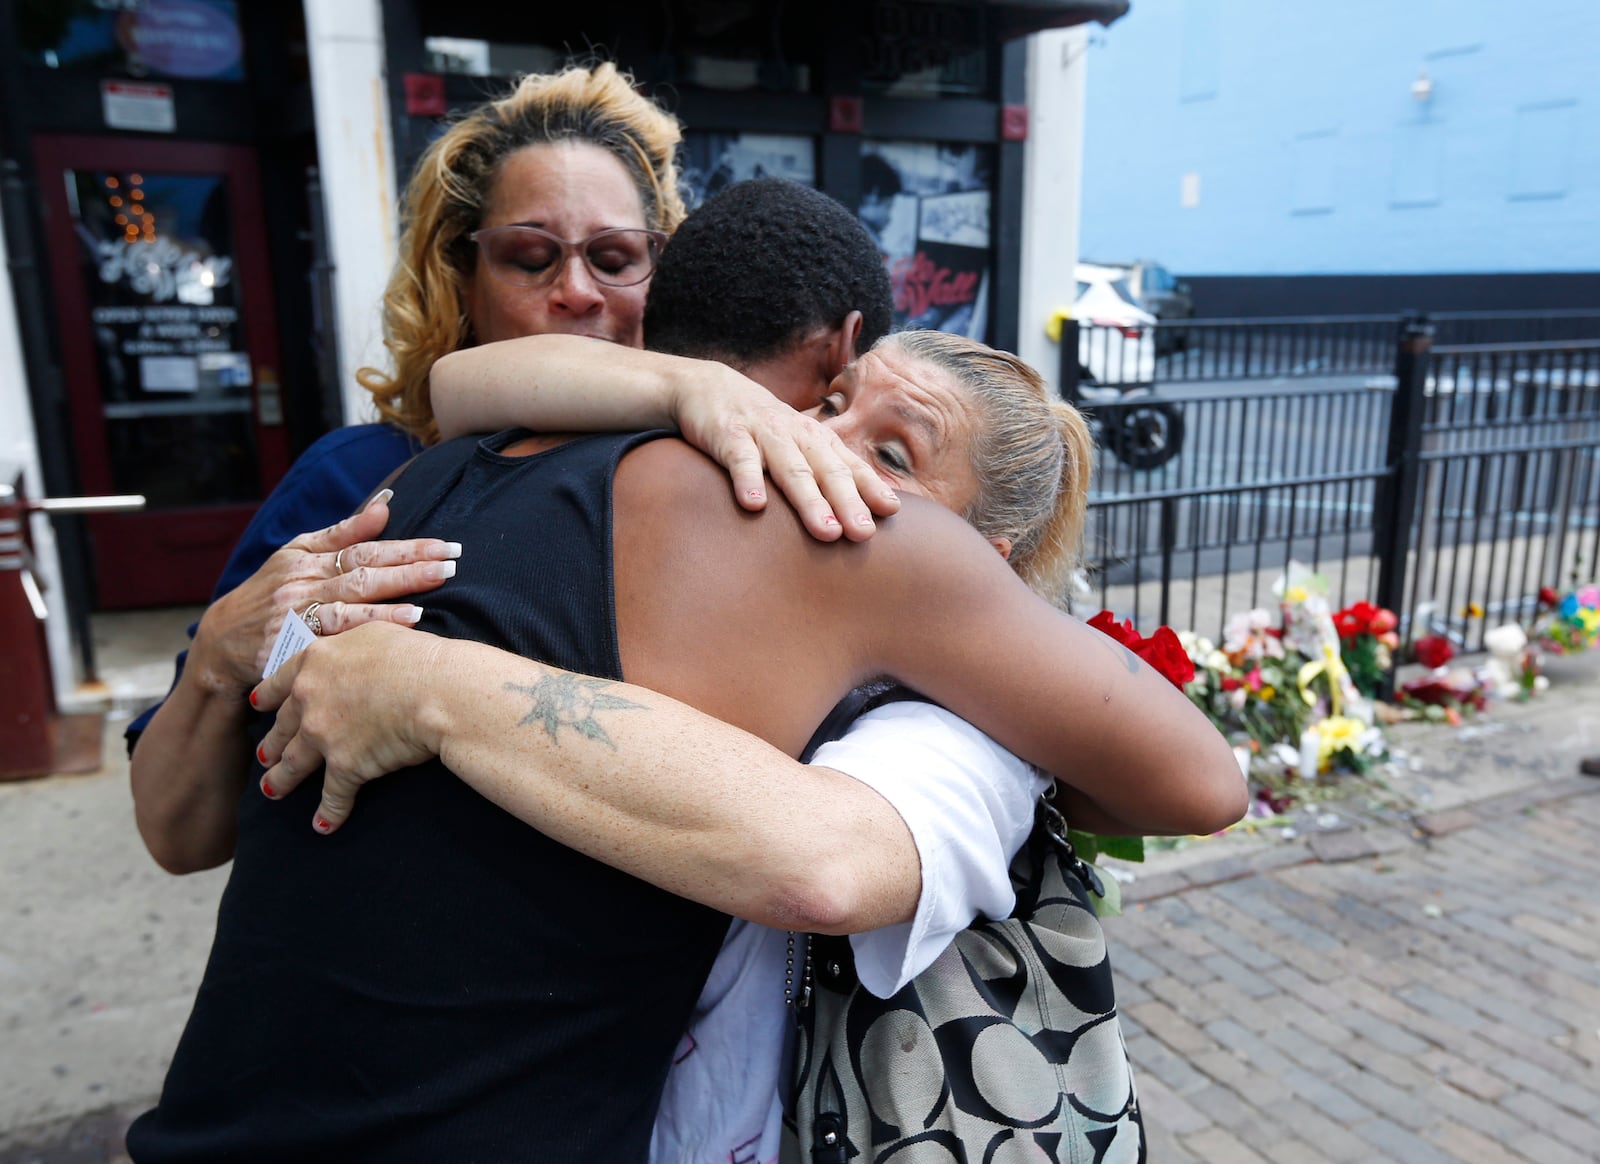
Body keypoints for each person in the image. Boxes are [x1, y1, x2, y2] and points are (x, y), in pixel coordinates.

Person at [126, 182, 1244, 1162]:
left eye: (892, 454)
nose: (827, 443)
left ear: (986, 567)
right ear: (828, 352)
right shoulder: (677, 482)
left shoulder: (490, 469)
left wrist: (436, 689)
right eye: (835, 400)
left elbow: (1194, 784)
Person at [126, 64, 890, 875]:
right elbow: (180, 835)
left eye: (615, 256)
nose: (576, 292)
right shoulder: (367, 472)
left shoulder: (725, 477)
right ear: (461, 280)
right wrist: (217, 656)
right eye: (529, 258)